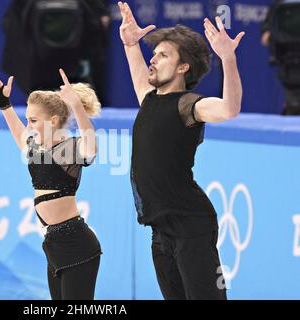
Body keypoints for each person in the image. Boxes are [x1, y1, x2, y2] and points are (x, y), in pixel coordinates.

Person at [118, 1, 245, 300]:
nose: (154, 59)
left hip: (191, 225)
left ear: (182, 67)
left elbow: (229, 109)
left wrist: (227, 58)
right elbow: (138, 69)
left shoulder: (188, 105)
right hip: (160, 228)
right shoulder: (149, 97)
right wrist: (130, 43)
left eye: (163, 55)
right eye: (154, 54)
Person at [0, 68, 102, 300]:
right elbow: (20, 136)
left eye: (33, 120)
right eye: (28, 119)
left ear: (54, 121)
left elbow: (91, 147)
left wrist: (78, 108)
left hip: (77, 244)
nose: (28, 125)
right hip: (53, 244)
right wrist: (4, 104)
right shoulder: (37, 150)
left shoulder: (69, 149)